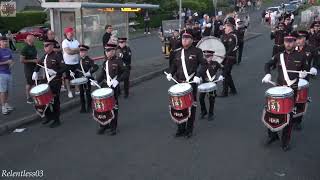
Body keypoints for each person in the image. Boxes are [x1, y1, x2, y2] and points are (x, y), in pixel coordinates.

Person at [262, 33, 309, 151]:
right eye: (286, 41)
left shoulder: (302, 56)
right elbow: (267, 64)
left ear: (295, 42)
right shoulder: (279, 55)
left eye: (291, 41)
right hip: (278, 88)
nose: (288, 43)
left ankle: (285, 141)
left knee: (288, 116)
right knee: (271, 112)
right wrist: (267, 74)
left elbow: (307, 71)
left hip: (291, 91)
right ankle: (272, 136)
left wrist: (304, 74)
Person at [166, 30, 207, 138]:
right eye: (183, 38)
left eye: (187, 38)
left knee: (190, 106)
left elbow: (204, 64)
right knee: (179, 106)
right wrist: (170, 73)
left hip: (191, 83)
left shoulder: (197, 51)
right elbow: (174, 66)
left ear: (192, 40)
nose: (184, 40)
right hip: (179, 83)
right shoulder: (177, 52)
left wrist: (198, 75)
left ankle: (189, 129)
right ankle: (180, 128)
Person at [32, 39, 67, 128]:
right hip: (47, 81)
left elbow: (64, 68)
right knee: (44, 99)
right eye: (44, 46)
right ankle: (49, 116)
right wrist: (35, 72)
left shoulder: (57, 56)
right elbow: (39, 64)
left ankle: (57, 120)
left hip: (56, 81)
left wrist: (56, 72)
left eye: (47, 45)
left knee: (55, 101)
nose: (45, 47)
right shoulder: (45, 56)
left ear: (52, 46)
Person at [95, 43, 128, 135]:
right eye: (106, 51)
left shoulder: (118, 61)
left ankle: (113, 127)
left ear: (113, 51)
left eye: (109, 51)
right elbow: (102, 74)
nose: (107, 52)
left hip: (114, 87)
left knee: (113, 107)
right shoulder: (105, 62)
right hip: (105, 87)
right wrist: (96, 81)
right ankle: (104, 125)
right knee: (103, 108)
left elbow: (126, 72)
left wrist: (118, 80)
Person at [293, 30, 318, 130]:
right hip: (293, 77)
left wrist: (314, 68)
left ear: (305, 39)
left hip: (304, 77)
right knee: (292, 98)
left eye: (301, 38)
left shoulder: (311, 49)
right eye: (297, 38)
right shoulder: (292, 48)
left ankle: (298, 120)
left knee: (301, 100)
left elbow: (316, 60)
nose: (299, 41)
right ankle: (291, 117)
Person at [199, 50, 223, 121]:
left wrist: (222, 75)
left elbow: (224, 69)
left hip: (212, 83)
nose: (207, 58)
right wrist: (199, 77)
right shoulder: (202, 64)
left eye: (208, 56)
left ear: (212, 56)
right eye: (205, 56)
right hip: (204, 83)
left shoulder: (215, 64)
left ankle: (211, 113)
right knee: (201, 98)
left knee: (211, 99)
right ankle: (203, 112)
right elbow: (198, 72)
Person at [74, 45, 98, 113]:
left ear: (86, 52)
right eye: (80, 52)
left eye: (83, 51)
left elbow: (95, 67)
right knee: (81, 93)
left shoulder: (89, 60)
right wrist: (73, 73)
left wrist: (89, 72)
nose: (81, 53)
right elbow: (77, 69)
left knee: (87, 93)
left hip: (87, 79)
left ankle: (89, 107)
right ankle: (83, 107)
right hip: (81, 80)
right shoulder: (79, 60)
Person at [220, 22, 238, 97]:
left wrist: (224, 55)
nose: (224, 29)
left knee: (224, 74)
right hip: (228, 58)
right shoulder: (227, 36)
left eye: (226, 27)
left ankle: (225, 93)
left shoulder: (231, 37)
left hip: (230, 58)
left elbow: (230, 49)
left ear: (230, 28)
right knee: (227, 74)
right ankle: (233, 90)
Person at [62, 27, 80, 98]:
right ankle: (69, 91)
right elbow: (68, 52)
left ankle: (77, 89)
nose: (72, 34)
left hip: (76, 62)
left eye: (72, 32)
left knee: (77, 76)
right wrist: (75, 50)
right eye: (70, 32)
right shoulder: (64, 42)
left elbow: (80, 49)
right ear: (66, 34)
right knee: (67, 78)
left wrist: (73, 50)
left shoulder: (76, 41)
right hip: (67, 63)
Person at [20, 35, 39, 104]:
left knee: (34, 82)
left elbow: (35, 56)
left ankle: (34, 96)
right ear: (29, 40)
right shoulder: (25, 48)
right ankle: (28, 97)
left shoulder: (33, 46)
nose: (35, 39)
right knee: (29, 83)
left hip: (35, 67)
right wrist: (32, 61)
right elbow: (21, 61)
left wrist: (37, 60)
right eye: (34, 39)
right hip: (28, 68)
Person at [0, 37, 14, 115]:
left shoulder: (9, 50)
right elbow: (7, 61)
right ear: (0, 42)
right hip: (1, 73)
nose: (5, 43)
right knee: (2, 91)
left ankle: (6, 104)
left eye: (6, 41)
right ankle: (3, 107)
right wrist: (6, 62)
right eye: (3, 41)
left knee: (8, 90)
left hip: (8, 73)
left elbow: (11, 60)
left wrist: (11, 63)